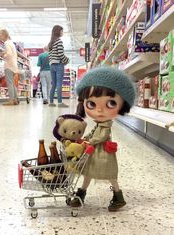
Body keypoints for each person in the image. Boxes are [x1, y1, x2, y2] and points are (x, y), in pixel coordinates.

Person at [70, 66, 136, 211]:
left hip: (102, 154)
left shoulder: (105, 126)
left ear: (122, 105)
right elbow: (94, 134)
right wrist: (85, 139)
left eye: (111, 103)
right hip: (93, 153)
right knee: (88, 172)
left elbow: (101, 136)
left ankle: (118, 196)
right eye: (92, 104)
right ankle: (81, 194)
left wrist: (89, 141)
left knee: (109, 175)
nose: (99, 110)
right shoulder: (99, 124)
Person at [48, 25, 69, 108]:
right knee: (59, 83)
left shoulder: (50, 43)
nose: (62, 32)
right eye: (61, 31)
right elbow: (61, 54)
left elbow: (50, 56)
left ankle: (51, 102)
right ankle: (60, 102)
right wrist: (67, 60)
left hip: (52, 65)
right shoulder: (59, 41)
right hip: (59, 64)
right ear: (58, 31)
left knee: (54, 84)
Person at [0, 29, 19, 106]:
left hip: (9, 65)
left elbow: (9, 54)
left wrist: (3, 55)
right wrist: (5, 52)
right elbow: (13, 53)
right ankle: (15, 99)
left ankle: (11, 100)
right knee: (13, 84)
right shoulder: (11, 43)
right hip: (14, 65)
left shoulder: (6, 43)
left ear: (4, 35)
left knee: (10, 83)